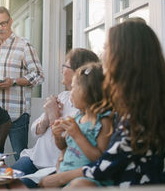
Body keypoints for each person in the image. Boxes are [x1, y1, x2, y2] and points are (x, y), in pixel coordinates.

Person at [39, 21, 165, 188]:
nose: (103, 54)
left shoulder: (141, 115)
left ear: (125, 57)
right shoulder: (136, 106)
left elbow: (104, 166)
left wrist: (59, 178)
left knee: (79, 185)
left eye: (107, 48)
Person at [11, 48, 99, 187]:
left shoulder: (85, 109)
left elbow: (67, 143)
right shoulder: (63, 96)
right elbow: (35, 132)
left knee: (15, 185)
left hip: (53, 166)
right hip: (33, 158)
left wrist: (53, 116)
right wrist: (46, 118)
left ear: (78, 72)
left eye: (65, 66)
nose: (61, 70)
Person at [0, 6, 44, 160]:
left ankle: (21, 184)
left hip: (17, 114)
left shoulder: (24, 45)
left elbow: (38, 75)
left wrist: (14, 82)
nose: (0, 28)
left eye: (3, 23)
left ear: (11, 21)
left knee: (21, 157)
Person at [51, 63, 113, 184]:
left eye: (73, 88)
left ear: (87, 91)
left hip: (87, 181)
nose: (70, 93)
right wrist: (58, 136)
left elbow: (100, 159)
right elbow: (66, 147)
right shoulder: (78, 117)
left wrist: (77, 134)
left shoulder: (103, 120)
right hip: (65, 176)